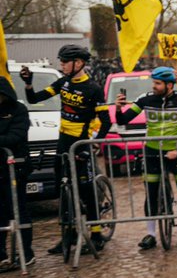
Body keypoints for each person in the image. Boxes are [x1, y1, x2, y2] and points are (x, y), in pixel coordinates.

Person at [20, 44, 112, 255]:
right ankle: (67, 237)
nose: (61, 64)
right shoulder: (63, 82)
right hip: (62, 143)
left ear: (78, 63)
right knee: (63, 191)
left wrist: (93, 143)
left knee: (87, 191)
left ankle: (96, 234)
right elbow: (34, 99)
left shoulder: (93, 88)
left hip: (81, 146)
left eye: (64, 61)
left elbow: (105, 122)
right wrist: (28, 83)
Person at [115, 66, 177, 250]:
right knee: (151, 192)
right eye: (153, 82)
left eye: (158, 83)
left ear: (169, 85)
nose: (154, 86)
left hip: (175, 152)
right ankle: (151, 234)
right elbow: (122, 121)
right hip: (152, 152)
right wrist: (119, 109)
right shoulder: (145, 99)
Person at [0, 76, 34, 271]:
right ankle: (1, 254)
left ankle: (26, 252)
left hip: (16, 168)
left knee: (19, 210)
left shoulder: (18, 110)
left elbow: (16, 136)